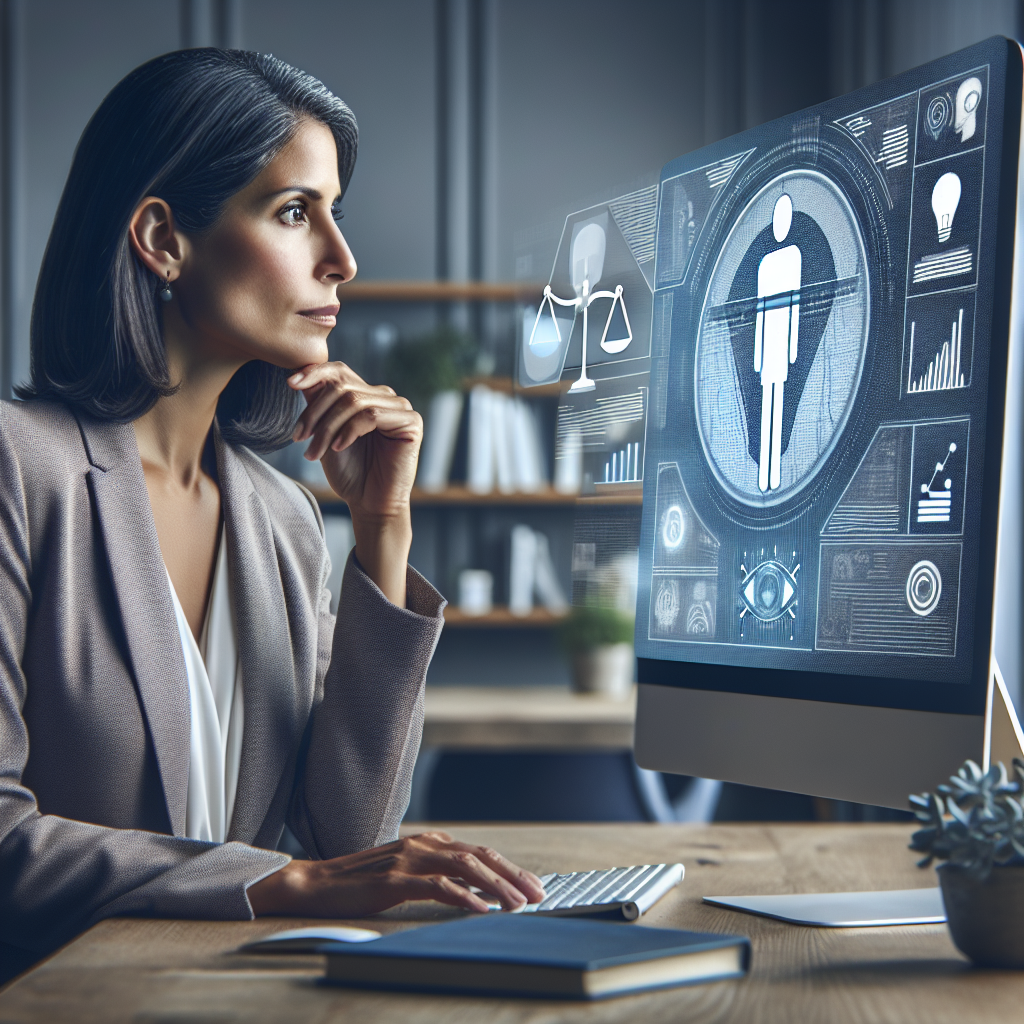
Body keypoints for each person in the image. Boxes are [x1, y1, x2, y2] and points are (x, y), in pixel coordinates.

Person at [0, 48, 543, 983]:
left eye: (335, 211)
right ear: (163, 239)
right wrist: (283, 884)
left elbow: (350, 837)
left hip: (250, 997)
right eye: (296, 212)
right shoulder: (20, 470)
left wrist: (382, 531)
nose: (343, 257)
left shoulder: (284, 516)